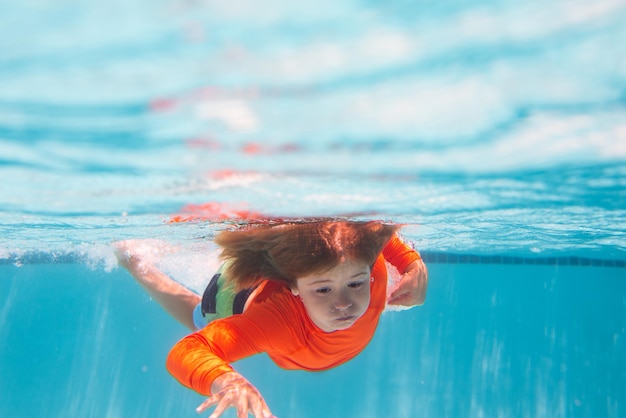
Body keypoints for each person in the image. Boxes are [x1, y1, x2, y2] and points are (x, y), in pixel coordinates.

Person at [114, 219, 428, 418]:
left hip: (292, 261)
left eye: (356, 284)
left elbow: (377, 233)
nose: (343, 303)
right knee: (198, 318)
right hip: (235, 295)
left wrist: (413, 266)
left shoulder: (362, 259)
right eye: (322, 290)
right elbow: (187, 350)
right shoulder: (278, 321)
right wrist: (226, 380)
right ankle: (135, 262)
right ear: (296, 287)